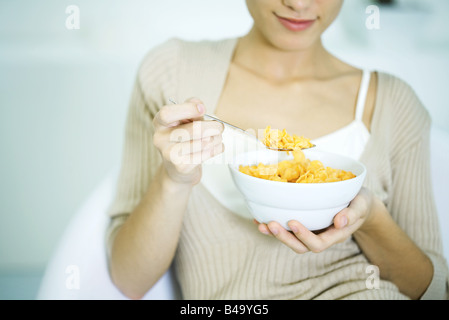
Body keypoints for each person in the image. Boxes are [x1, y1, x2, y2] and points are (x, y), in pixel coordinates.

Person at [105, 0, 448, 300]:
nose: (298, 4)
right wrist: (173, 181)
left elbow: (432, 291)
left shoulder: (394, 103)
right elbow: (130, 279)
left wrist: (370, 217)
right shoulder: (171, 72)